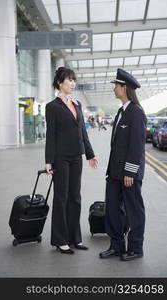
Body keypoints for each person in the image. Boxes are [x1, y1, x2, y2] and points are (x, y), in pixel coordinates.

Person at [45, 67, 98, 255]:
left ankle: (74, 238)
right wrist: (49, 160)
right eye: (70, 80)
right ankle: (60, 240)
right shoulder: (52, 107)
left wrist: (90, 154)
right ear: (60, 82)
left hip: (77, 157)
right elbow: (50, 135)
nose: (73, 83)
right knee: (61, 198)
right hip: (60, 158)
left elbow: (82, 131)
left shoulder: (76, 104)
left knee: (75, 197)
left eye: (74, 80)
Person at [99, 68, 147, 261]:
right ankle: (117, 245)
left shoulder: (136, 113)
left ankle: (135, 248)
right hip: (115, 172)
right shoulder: (120, 111)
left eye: (116, 86)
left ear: (124, 88)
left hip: (129, 173)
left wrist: (130, 172)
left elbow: (137, 146)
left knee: (134, 211)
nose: (114, 89)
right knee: (112, 209)